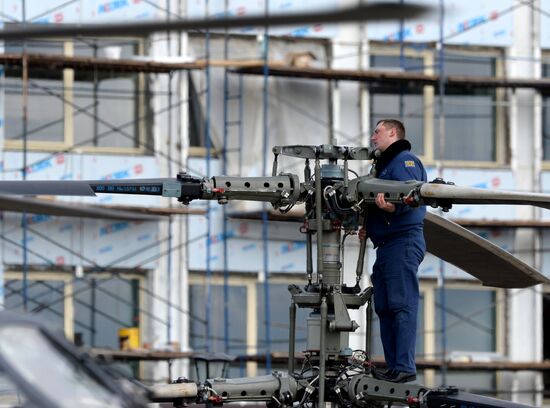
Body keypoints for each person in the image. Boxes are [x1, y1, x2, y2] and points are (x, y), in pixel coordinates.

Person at [364, 119, 427, 383]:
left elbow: (412, 193)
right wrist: (369, 225)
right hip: (386, 245)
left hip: (402, 242)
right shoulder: (384, 166)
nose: (372, 137)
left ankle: (403, 367)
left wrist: (394, 208)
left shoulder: (404, 160)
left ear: (393, 132)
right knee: (386, 307)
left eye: (377, 132)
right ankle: (394, 366)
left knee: (401, 305)